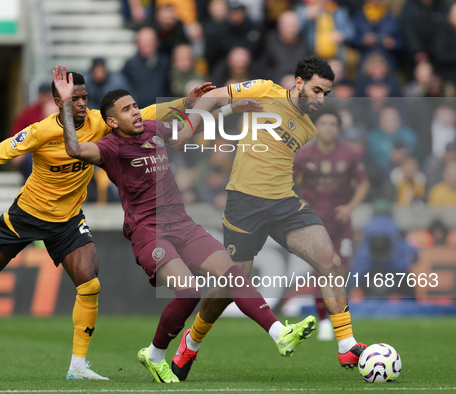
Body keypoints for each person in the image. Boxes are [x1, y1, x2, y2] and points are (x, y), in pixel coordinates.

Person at [0, 65, 213, 381]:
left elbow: (144, 112)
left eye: (84, 98)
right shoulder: (40, 132)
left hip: (68, 221)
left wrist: (185, 102)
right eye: (73, 99)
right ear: (57, 100)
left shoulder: (99, 124)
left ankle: (78, 366)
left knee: (89, 282)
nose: (81, 104)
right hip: (27, 216)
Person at [55, 68, 317, 383]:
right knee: (189, 291)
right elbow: (74, 149)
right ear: (112, 122)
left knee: (233, 274)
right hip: (148, 231)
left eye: (135, 105)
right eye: (126, 110)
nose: (136, 112)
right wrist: (66, 107)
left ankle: (279, 333)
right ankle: (155, 353)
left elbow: (183, 134)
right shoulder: (110, 148)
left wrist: (231, 108)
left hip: (182, 223)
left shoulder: (154, 128)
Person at [176, 56, 367, 377]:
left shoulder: (308, 129)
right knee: (230, 286)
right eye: (317, 90)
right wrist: (188, 128)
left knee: (330, 261)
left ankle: (346, 345)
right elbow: (213, 97)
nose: (320, 99)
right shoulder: (266, 90)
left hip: (283, 204)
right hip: (244, 204)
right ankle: (190, 342)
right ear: (299, 83)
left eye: (326, 94)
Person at [293, 108, 370, 340]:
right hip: (315, 223)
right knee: (322, 270)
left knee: (341, 270)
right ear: (316, 127)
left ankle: (339, 320)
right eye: (324, 123)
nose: (328, 128)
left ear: (338, 128)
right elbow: (286, 181)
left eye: (333, 124)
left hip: (341, 223)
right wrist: (299, 201)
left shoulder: (349, 154)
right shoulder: (304, 155)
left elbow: (363, 184)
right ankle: (325, 320)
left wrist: (350, 207)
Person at [9, 82, 58, 180]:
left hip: (54, 149)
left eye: (48, 96)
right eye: (43, 95)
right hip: (32, 149)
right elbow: (16, 131)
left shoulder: (59, 110)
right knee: (30, 159)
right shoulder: (30, 111)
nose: (45, 99)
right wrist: (17, 150)